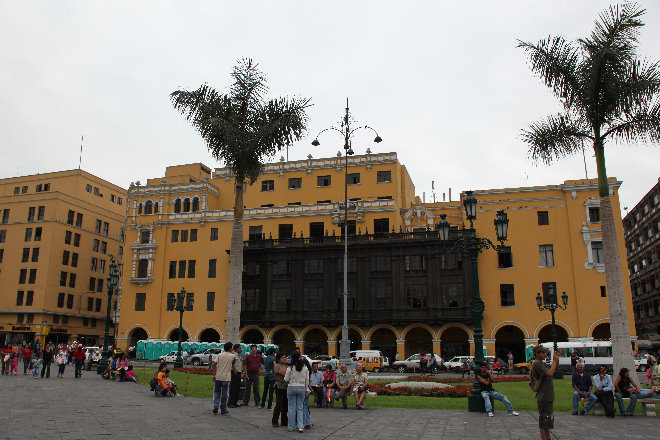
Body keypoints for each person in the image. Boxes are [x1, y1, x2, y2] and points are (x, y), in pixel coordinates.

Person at [531, 345, 559, 440]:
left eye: (545, 352)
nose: (544, 354)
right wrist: (554, 361)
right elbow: (549, 373)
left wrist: (556, 360)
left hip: (548, 395)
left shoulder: (542, 364)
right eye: (542, 353)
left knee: (548, 419)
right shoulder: (537, 364)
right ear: (537, 354)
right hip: (543, 396)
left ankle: (548, 438)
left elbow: (554, 369)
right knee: (544, 419)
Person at [284, 351, 309, 433]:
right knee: (300, 408)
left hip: (291, 387)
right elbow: (307, 380)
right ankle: (301, 426)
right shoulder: (305, 367)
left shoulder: (290, 367)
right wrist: (306, 389)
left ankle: (291, 427)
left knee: (291, 407)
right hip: (301, 387)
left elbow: (286, 379)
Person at [211, 342, 234, 415]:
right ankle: (223, 409)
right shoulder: (232, 356)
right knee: (224, 394)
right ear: (230, 348)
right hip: (226, 378)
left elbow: (214, 364)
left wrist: (214, 374)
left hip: (218, 376)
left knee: (217, 392)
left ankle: (216, 405)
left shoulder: (220, 355)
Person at [271, 353, 289, 427]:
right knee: (279, 404)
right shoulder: (277, 366)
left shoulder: (287, 365)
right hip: (279, 386)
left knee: (286, 405)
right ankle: (275, 420)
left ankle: (284, 420)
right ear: (278, 359)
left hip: (286, 386)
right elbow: (283, 373)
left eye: (285, 357)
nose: (284, 359)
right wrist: (288, 371)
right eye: (283, 357)